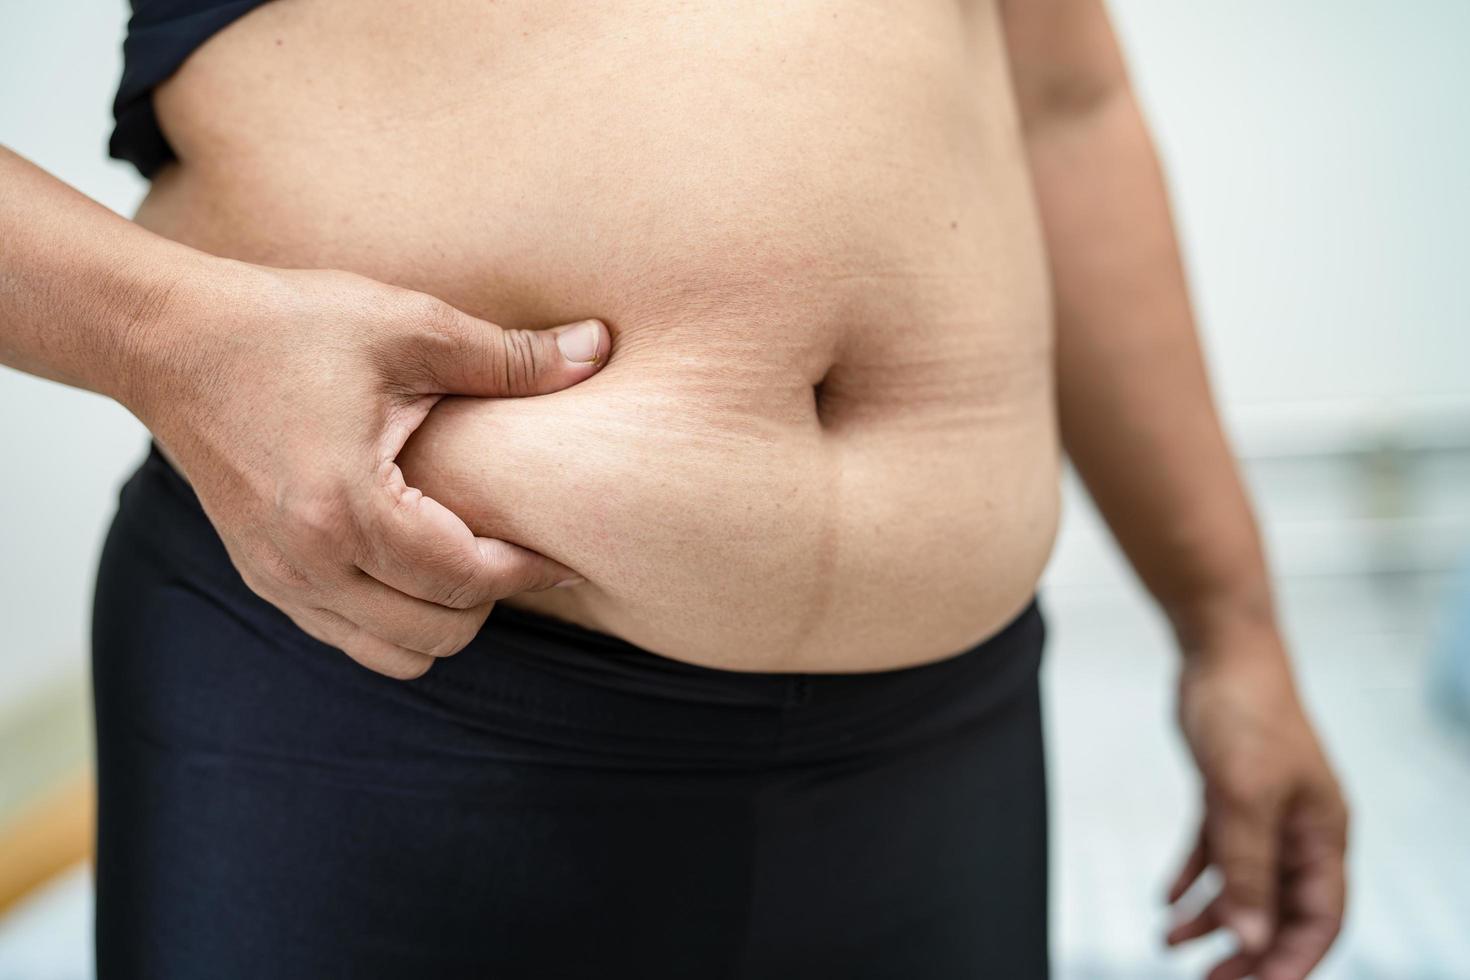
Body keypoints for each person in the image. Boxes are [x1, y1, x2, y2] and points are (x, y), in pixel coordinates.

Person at [0, 0, 1347, 977]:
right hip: (382, 698)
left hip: (944, 738)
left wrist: (1229, 627)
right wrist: (159, 336)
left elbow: (1063, 100)